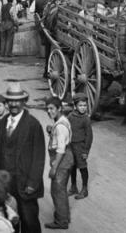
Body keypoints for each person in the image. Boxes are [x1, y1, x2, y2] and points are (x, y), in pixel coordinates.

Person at [0, 83, 46, 233]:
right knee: (10, 219)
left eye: (17, 101)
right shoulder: (3, 122)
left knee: (29, 220)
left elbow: (39, 157)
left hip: (25, 182)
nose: (14, 104)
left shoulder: (33, 124)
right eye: (10, 101)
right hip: (6, 182)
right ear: (7, 102)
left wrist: (32, 183)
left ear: (23, 102)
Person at [44, 97, 73, 230]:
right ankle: (65, 217)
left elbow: (61, 150)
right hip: (65, 159)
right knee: (60, 190)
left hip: (61, 160)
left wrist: (54, 168)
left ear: (59, 108)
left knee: (57, 191)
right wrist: (51, 130)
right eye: (48, 109)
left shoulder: (60, 126)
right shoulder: (62, 121)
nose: (49, 111)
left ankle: (61, 221)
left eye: (52, 109)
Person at [67, 93, 93, 200]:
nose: (83, 108)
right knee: (72, 167)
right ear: (75, 106)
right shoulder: (70, 116)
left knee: (82, 167)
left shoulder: (86, 119)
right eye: (80, 105)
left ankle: (84, 188)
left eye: (85, 105)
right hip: (71, 146)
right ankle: (73, 187)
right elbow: (66, 129)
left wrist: (85, 151)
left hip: (80, 147)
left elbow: (89, 136)